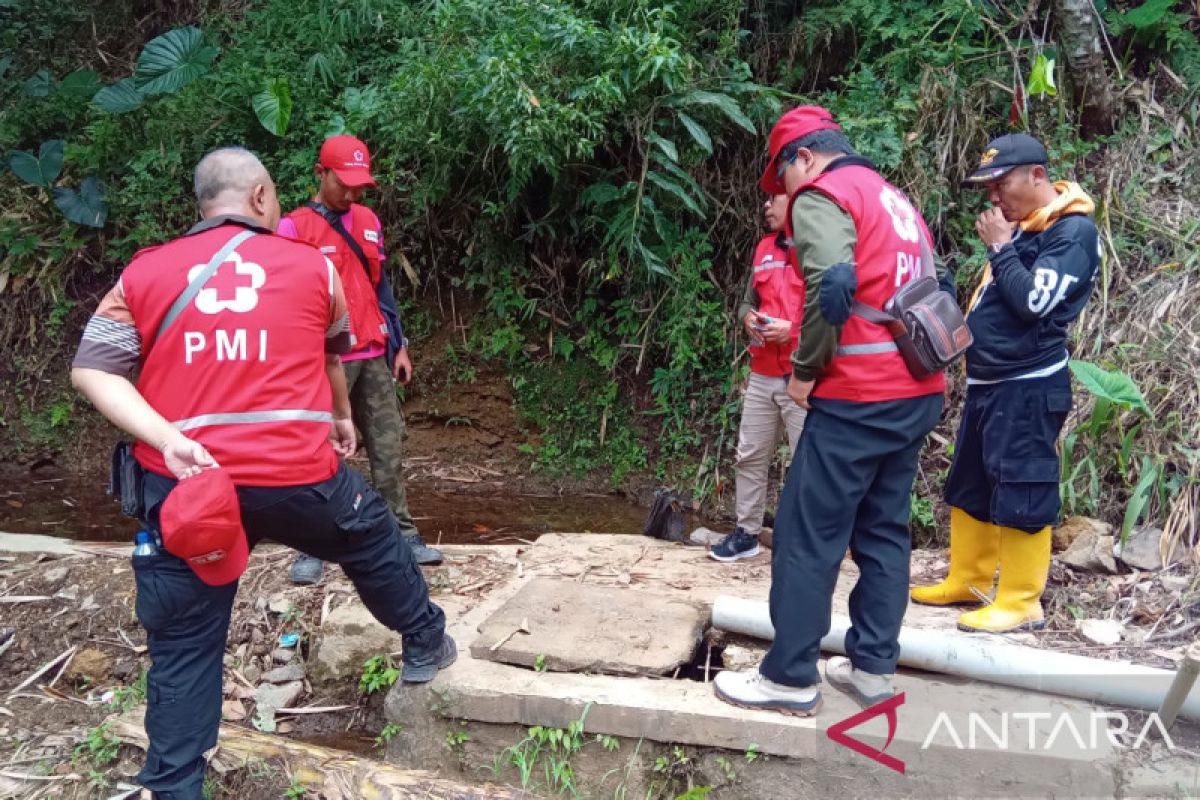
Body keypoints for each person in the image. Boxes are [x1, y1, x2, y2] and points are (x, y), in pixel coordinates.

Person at [70, 147, 455, 799]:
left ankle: (175, 786)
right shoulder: (313, 268)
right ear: (259, 199)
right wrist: (339, 421)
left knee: (186, 644)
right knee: (371, 537)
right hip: (297, 478)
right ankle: (425, 642)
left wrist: (169, 437)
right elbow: (333, 353)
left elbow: (92, 369)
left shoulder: (144, 274)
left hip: (188, 491)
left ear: (202, 203)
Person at [713, 106, 945, 715]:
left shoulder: (824, 193)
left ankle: (788, 678)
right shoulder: (893, 198)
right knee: (884, 531)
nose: (785, 194)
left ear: (805, 158)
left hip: (857, 397)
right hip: (915, 391)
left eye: (783, 178)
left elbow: (834, 284)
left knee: (805, 536)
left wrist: (806, 372)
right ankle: (872, 668)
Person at [910, 133, 1099, 632]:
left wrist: (1000, 247)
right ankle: (968, 579)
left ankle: (1019, 600)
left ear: (1036, 175)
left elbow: (1033, 302)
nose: (994, 196)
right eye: (988, 187)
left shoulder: (1072, 232)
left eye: (1001, 183)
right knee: (970, 482)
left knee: (1023, 486)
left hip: (1029, 385)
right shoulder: (1026, 230)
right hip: (987, 382)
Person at [280, 134, 442, 584]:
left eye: (359, 186)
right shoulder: (293, 228)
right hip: (324, 357)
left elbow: (380, 284)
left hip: (373, 349)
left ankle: (403, 535)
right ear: (321, 174)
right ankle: (312, 547)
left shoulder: (368, 220)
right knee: (321, 452)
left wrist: (399, 343)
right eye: (343, 184)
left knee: (388, 448)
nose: (351, 194)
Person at [707, 193, 807, 562]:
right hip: (763, 371)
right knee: (749, 454)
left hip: (803, 373)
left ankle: (801, 542)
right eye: (763, 201)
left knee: (805, 462)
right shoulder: (764, 247)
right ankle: (746, 533)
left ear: (796, 202)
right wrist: (748, 319)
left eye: (773, 200)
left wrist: (792, 331)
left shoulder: (818, 249)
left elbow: (834, 312)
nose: (765, 206)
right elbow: (747, 302)